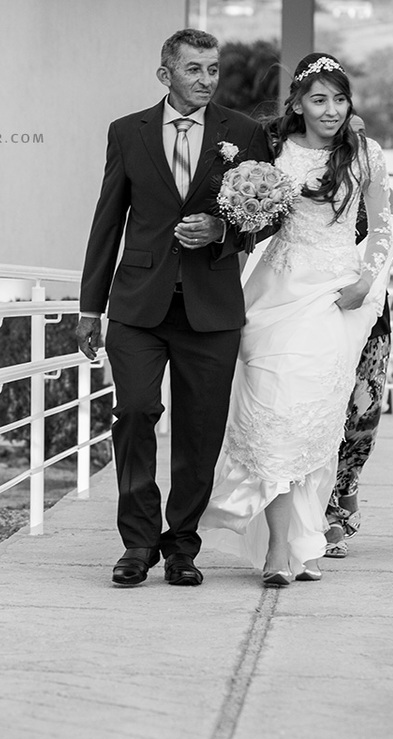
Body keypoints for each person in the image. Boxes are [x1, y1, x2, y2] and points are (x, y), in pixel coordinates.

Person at [77, 29, 273, 587]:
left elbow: (269, 215)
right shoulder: (127, 132)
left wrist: (222, 230)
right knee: (134, 414)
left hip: (211, 310)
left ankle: (182, 544)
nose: (207, 79)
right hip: (139, 305)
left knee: (200, 432)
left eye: (212, 69)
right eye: (194, 70)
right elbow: (107, 220)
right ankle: (138, 542)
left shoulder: (244, 133)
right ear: (166, 75)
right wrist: (90, 308)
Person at [198, 53, 393, 585]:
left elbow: (383, 225)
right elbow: (256, 221)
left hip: (336, 296)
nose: (331, 109)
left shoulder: (365, 154)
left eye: (340, 99)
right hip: (275, 292)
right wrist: (243, 211)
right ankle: (280, 551)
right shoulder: (273, 149)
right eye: (319, 99)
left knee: (312, 422)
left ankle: (300, 546)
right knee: (275, 414)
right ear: (298, 104)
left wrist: (365, 280)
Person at [325, 188, 393, 558]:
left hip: (373, 322)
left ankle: (348, 481)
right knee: (324, 412)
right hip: (319, 313)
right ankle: (327, 514)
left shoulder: (380, 190)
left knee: (363, 417)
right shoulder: (314, 182)